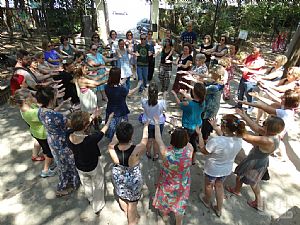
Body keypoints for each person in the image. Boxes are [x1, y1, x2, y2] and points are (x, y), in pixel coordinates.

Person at [227, 110, 285, 211]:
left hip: (255, 161)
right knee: (250, 180)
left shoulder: (266, 140)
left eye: (265, 124)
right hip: (261, 160)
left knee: (245, 178)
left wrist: (234, 126)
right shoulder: (274, 135)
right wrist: (244, 116)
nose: (263, 125)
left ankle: (251, 198)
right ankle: (245, 195)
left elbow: (246, 137)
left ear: (268, 128)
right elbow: (256, 127)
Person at [197, 115, 245, 217]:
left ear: (224, 127)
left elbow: (203, 150)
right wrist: (215, 127)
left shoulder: (216, 141)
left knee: (209, 185)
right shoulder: (238, 140)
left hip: (212, 169)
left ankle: (206, 200)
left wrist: (200, 135)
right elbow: (226, 138)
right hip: (226, 170)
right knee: (219, 185)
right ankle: (219, 209)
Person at [36, 86, 80, 196]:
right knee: (66, 164)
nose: (57, 95)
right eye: (56, 94)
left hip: (52, 139)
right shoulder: (56, 116)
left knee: (62, 162)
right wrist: (74, 112)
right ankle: (61, 188)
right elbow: (70, 123)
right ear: (51, 99)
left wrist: (64, 105)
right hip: (61, 141)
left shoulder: (41, 111)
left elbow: (53, 113)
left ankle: (71, 181)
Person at [68, 110, 114, 215]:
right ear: (85, 126)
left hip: (79, 166)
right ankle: (97, 206)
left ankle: (90, 198)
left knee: (85, 183)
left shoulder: (68, 134)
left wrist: (91, 117)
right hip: (93, 165)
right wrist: (109, 119)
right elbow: (103, 130)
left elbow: (79, 126)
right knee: (98, 185)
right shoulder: (91, 139)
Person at [152, 116, 193, 225]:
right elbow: (184, 141)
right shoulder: (190, 150)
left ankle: (164, 217)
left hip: (167, 183)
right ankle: (178, 222)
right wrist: (175, 128)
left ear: (171, 140)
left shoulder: (166, 153)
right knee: (180, 205)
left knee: (165, 201)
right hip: (182, 183)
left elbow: (158, 138)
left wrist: (157, 123)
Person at [239, 90, 300, 161]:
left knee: (263, 144)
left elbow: (263, 107)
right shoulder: (288, 109)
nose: (281, 97)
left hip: (274, 132)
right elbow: (269, 103)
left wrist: (246, 104)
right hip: (279, 131)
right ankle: (275, 153)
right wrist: (258, 96)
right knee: (274, 144)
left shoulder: (283, 113)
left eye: (283, 97)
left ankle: (277, 154)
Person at [108, 121, 148, 225]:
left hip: (118, 175)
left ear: (117, 135)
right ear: (131, 135)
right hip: (133, 179)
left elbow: (113, 140)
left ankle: (127, 212)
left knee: (122, 197)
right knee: (132, 203)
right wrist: (146, 126)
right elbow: (145, 140)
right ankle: (132, 221)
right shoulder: (136, 149)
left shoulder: (111, 147)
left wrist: (117, 133)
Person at [10, 88, 56, 177]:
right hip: (42, 134)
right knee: (49, 152)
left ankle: (35, 155)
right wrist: (53, 99)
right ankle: (45, 171)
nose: (34, 97)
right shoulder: (33, 112)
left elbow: (37, 105)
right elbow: (49, 112)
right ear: (26, 100)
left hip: (35, 131)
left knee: (42, 145)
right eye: (31, 96)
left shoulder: (24, 107)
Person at [171, 82, 206, 164]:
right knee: (193, 141)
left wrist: (175, 95)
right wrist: (186, 95)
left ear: (194, 93)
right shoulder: (203, 102)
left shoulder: (189, 105)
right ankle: (193, 159)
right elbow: (193, 101)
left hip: (188, 127)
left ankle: (184, 156)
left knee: (185, 142)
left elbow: (179, 104)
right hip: (198, 125)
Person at [104, 68, 142, 140]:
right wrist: (138, 86)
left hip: (110, 110)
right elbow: (130, 93)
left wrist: (124, 80)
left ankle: (112, 141)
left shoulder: (107, 87)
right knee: (122, 129)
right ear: (118, 77)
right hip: (121, 111)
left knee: (111, 129)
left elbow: (116, 84)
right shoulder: (121, 89)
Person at [236, 45, 265, 113]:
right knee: (240, 92)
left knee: (249, 94)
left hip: (251, 80)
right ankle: (239, 105)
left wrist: (245, 66)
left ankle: (250, 107)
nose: (252, 52)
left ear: (259, 53)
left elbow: (254, 67)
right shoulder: (249, 56)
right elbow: (243, 62)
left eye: (255, 51)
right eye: (253, 50)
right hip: (244, 77)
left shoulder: (261, 60)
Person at [141, 82, 166, 161]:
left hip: (148, 122)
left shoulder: (144, 102)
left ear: (149, 93)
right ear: (157, 93)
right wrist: (164, 95)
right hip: (158, 123)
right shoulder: (161, 103)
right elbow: (165, 108)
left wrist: (144, 92)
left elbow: (143, 97)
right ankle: (156, 154)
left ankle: (148, 152)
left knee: (149, 140)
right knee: (156, 140)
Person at [201, 65, 226, 142]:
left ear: (217, 75)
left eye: (212, 73)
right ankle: (203, 136)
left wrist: (195, 80)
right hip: (211, 106)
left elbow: (203, 90)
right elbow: (208, 81)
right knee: (206, 122)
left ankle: (204, 139)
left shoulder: (215, 87)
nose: (210, 74)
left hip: (210, 108)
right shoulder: (219, 82)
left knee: (206, 124)